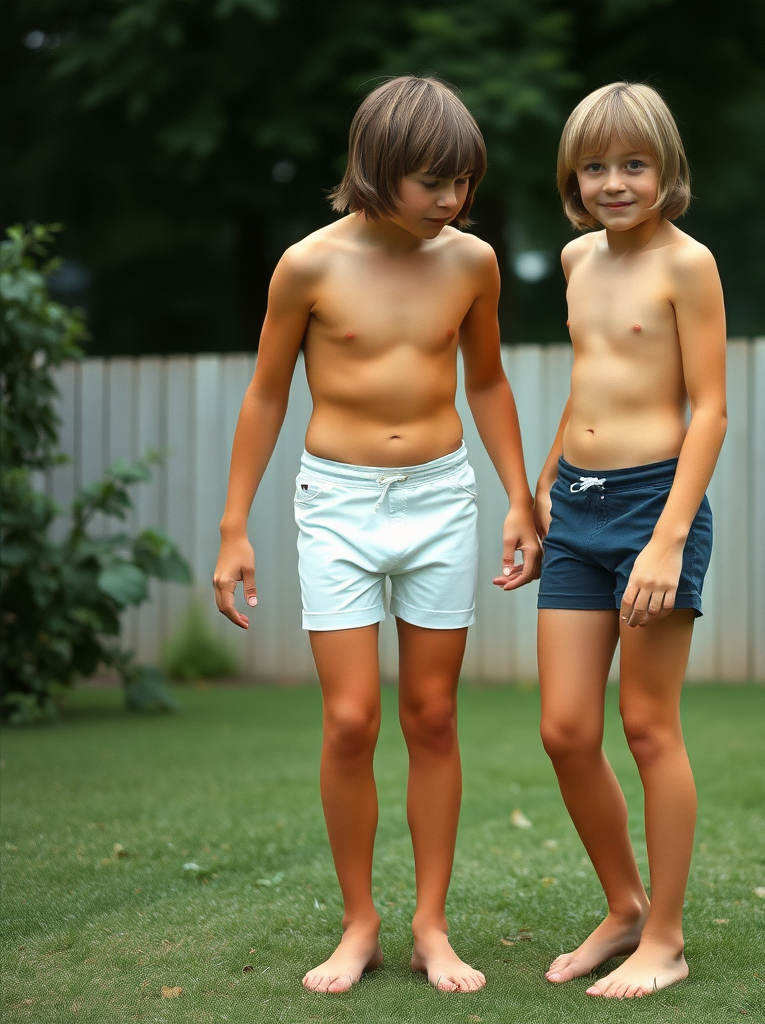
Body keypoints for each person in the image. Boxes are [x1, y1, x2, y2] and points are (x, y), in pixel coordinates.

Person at [213, 76, 541, 995]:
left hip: (443, 498)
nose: (454, 201)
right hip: (338, 506)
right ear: (379, 170)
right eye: (436, 182)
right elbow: (267, 392)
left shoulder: (470, 264)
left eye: (464, 183)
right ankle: (359, 924)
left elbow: (486, 384)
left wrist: (519, 496)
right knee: (351, 719)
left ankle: (431, 926)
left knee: (432, 717)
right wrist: (234, 525)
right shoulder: (307, 266)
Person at [533, 82, 727, 999]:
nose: (614, 182)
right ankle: (621, 908)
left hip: (655, 508)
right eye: (596, 166)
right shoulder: (577, 259)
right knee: (566, 730)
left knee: (648, 727)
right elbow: (586, 381)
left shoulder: (689, 265)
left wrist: (668, 538)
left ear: (666, 169)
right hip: (574, 505)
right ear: (575, 176)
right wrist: (535, 493)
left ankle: (666, 938)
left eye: (633, 164)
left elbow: (712, 411)